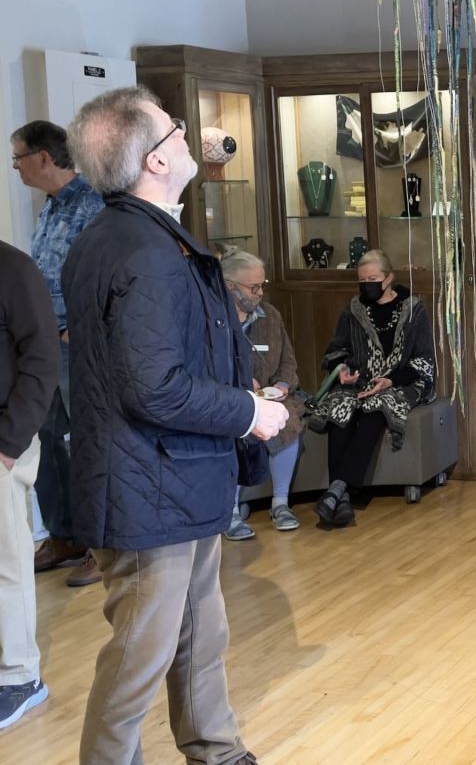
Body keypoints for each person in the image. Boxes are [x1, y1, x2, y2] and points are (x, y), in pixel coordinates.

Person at [63, 85, 287, 764]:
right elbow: (154, 387)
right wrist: (249, 412)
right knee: (140, 656)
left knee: (200, 634)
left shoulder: (136, 237)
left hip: (174, 477)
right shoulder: (144, 250)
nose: (189, 135)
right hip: (148, 485)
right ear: (154, 161)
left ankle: (216, 749)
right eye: (176, 129)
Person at [11, 120, 105, 586]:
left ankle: (102, 545)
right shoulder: (50, 208)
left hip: (76, 345)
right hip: (44, 345)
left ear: (44, 157)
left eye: (18, 157)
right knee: (45, 440)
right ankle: (64, 535)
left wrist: (76, 330)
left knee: (87, 443)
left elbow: (102, 278)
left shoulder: (94, 206)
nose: (15, 167)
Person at [307, 249, 436, 527]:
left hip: (401, 381)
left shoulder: (414, 311)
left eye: (373, 279)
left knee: (376, 407)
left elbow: (424, 360)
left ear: (388, 278)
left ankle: (337, 488)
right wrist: (342, 369)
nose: (367, 285)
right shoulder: (353, 310)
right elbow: (337, 349)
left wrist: (391, 380)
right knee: (339, 407)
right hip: (361, 380)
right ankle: (341, 499)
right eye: (362, 280)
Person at [0, 241, 58, 730]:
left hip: (3, 439)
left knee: (7, 562)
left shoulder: (13, 268)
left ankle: (21, 678)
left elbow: (42, 360)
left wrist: (9, 443)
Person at [220, 249, 305, 538]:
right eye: (253, 287)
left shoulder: (270, 316)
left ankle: (280, 504)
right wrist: (242, 384)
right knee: (235, 425)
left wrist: (282, 386)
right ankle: (230, 512)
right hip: (231, 397)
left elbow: (289, 362)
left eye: (262, 286)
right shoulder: (215, 320)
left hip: (271, 397)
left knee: (288, 419)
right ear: (229, 285)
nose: (259, 293)